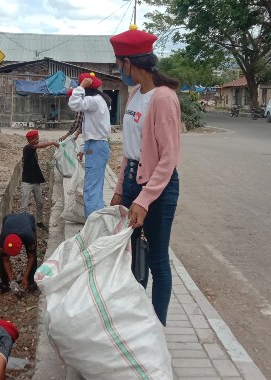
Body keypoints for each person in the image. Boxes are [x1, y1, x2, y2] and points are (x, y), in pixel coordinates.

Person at [109, 25, 181, 326]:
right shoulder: (135, 92)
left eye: (118, 63)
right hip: (131, 183)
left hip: (158, 189)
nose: (118, 69)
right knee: (129, 255)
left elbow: (168, 157)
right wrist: (118, 188)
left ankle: (157, 329)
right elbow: (131, 150)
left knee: (157, 261)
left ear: (129, 63)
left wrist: (145, 199)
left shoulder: (163, 98)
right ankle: (137, 325)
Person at [68, 72, 112, 218]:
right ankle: (97, 223)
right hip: (96, 146)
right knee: (96, 189)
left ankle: (92, 228)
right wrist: (83, 148)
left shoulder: (93, 101)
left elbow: (74, 104)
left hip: (96, 146)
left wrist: (80, 87)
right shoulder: (99, 100)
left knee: (91, 190)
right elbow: (92, 130)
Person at [22, 130, 58, 226]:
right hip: (27, 181)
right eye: (36, 139)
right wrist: (52, 143)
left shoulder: (33, 149)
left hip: (36, 181)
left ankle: (39, 221)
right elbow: (39, 146)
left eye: (38, 138)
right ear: (30, 140)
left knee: (40, 203)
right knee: (24, 205)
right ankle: (22, 223)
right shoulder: (28, 148)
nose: (38, 140)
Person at [0, 212, 38, 293]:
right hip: (8, 218)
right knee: (2, 257)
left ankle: (30, 282)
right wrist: (11, 281)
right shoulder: (2, 241)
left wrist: (25, 277)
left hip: (27, 218)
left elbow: (31, 257)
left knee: (33, 251)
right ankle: (5, 283)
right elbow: (6, 260)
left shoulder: (29, 237)